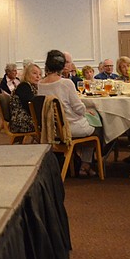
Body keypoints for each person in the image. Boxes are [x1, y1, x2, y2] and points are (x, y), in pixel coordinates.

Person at [37, 49, 99, 177]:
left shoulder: (40, 84)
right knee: (98, 128)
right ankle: (86, 164)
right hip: (70, 128)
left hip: (51, 129)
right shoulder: (66, 83)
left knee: (90, 125)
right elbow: (79, 109)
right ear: (62, 66)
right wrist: (86, 110)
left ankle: (79, 162)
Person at [8, 63, 41, 134]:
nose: (38, 76)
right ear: (27, 74)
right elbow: (30, 107)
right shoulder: (24, 86)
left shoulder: (33, 87)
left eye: (40, 74)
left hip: (27, 118)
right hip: (21, 121)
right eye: (35, 73)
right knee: (49, 122)